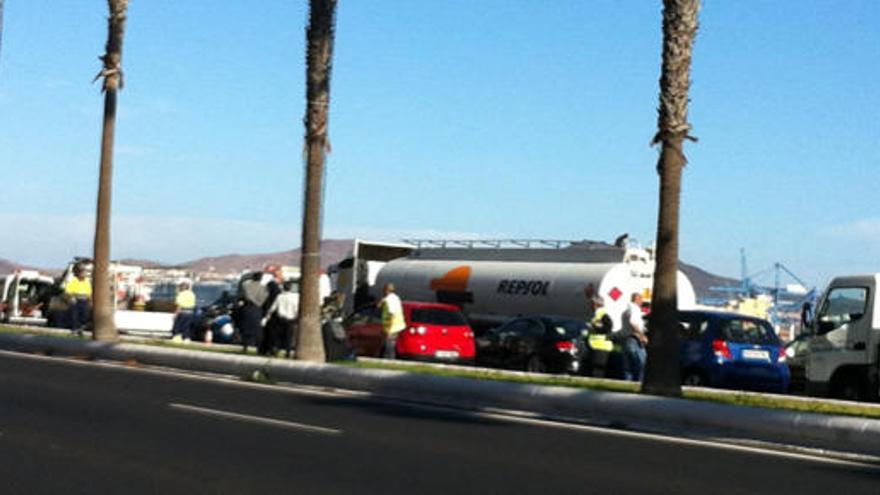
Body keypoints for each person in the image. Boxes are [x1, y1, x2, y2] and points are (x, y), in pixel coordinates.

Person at [262, 280, 299, 357]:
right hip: (291, 319)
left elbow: (273, 308)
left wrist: (267, 316)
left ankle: (277, 350)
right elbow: (296, 308)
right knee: (289, 336)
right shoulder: (295, 297)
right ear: (291, 288)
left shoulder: (280, 297)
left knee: (279, 336)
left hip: (281, 319)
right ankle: (288, 352)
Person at [618, 292, 649, 381]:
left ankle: (628, 383)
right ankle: (639, 382)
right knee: (642, 363)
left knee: (628, 366)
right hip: (634, 339)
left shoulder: (626, 311)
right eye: (641, 299)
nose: (642, 302)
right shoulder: (635, 309)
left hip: (625, 339)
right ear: (637, 299)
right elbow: (633, 322)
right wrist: (642, 335)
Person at [238, 272, 268, 353]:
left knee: (246, 328)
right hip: (257, 309)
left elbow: (241, 296)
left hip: (247, 308)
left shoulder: (245, 286)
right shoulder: (263, 288)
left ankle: (245, 347)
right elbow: (264, 298)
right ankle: (258, 348)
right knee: (257, 329)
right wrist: (258, 303)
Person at [586, 296, 614, 377]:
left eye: (591, 304)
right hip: (596, 345)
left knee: (598, 368)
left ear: (595, 304)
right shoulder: (597, 315)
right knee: (594, 367)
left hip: (602, 346)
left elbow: (608, 327)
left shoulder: (603, 315)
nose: (590, 306)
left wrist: (594, 327)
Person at [377, 283, 406, 359]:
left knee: (389, 345)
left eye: (383, 290)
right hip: (395, 326)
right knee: (388, 344)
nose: (382, 292)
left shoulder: (390, 300)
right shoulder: (394, 298)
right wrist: (382, 299)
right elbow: (378, 306)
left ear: (387, 290)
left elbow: (392, 314)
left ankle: (389, 359)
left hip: (392, 327)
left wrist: (389, 329)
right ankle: (387, 358)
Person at [64, 264, 92, 336]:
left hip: (84, 300)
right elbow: (68, 290)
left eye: (85, 272)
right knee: (75, 316)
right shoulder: (73, 280)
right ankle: (75, 330)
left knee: (84, 316)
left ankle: (80, 328)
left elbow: (89, 291)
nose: (85, 274)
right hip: (75, 299)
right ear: (78, 273)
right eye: (83, 272)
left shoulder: (86, 281)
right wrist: (71, 297)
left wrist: (89, 299)